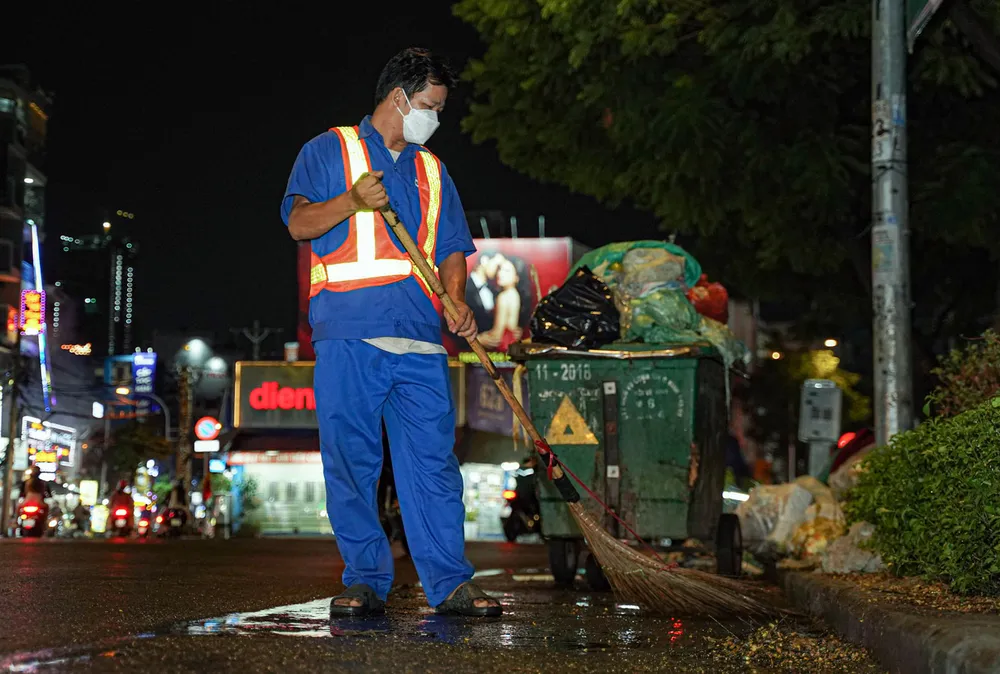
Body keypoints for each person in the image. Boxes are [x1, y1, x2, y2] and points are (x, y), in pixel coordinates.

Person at [282, 48, 500, 618]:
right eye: (429, 106)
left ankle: (450, 583)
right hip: (349, 332)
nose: (434, 118)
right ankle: (365, 581)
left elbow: (452, 246)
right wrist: (352, 200)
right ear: (398, 98)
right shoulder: (330, 149)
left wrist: (455, 299)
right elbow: (298, 222)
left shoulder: (433, 169)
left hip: (424, 338)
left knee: (433, 465)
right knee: (352, 463)